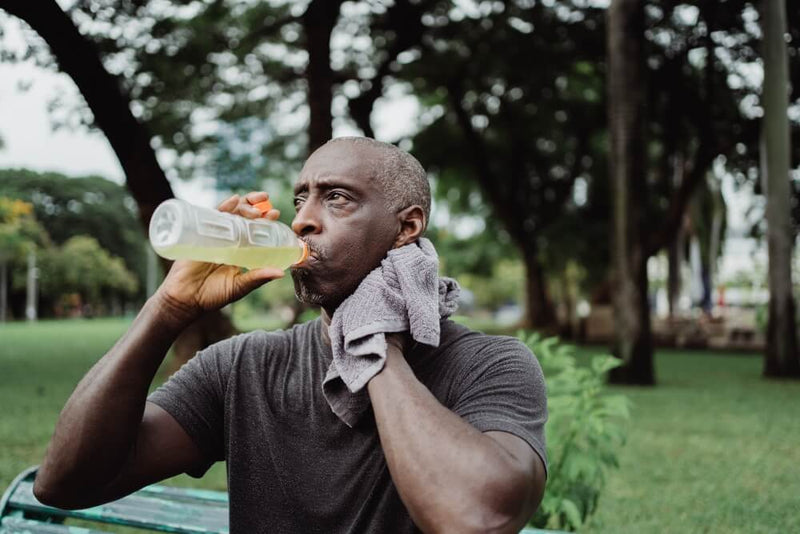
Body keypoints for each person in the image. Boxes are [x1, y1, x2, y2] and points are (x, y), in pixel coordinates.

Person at [34, 137, 548, 533]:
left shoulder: (490, 365)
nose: (303, 220)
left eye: (337, 199)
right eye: (301, 199)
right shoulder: (243, 367)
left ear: (406, 228)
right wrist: (166, 310)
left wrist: (372, 341)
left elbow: (476, 517)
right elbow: (65, 483)